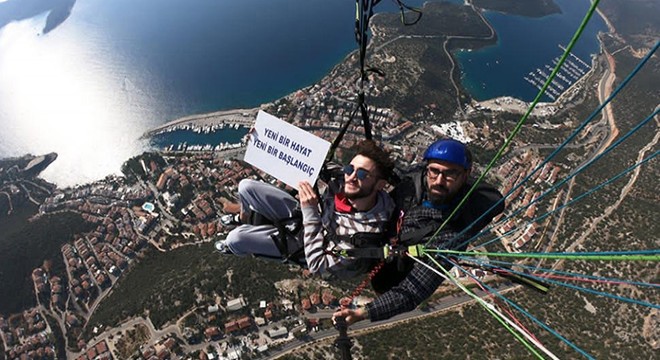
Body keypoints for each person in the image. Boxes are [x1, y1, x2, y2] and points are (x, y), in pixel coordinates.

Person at [334, 138, 505, 323]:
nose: (439, 181)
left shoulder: (451, 235)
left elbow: (414, 290)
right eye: (435, 171)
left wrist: (362, 314)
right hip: (389, 239)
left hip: (399, 254)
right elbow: (384, 168)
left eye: (450, 174)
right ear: (427, 169)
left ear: (466, 175)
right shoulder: (413, 181)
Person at [215, 139, 396, 279]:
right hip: (307, 216)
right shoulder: (346, 180)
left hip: (307, 246)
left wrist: (310, 212)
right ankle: (244, 217)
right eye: (351, 168)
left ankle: (235, 247)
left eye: (363, 174)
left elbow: (317, 265)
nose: (351, 177)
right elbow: (310, 160)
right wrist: (260, 140)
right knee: (245, 186)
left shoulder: (362, 235)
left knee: (235, 239)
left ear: (380, 184)